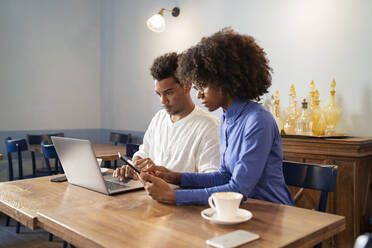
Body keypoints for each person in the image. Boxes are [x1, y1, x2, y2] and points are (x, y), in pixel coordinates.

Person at [139, 28, 294, 206]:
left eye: (203, 87)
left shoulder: (258, 120)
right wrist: (175, 177)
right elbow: (224, 176)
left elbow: (238, 189)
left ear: (224, 81)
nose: (198, 96)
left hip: (270, 212)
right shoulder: (227, 119)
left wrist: (173, 197)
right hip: (237, 211)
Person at [114, 52, 220, 180]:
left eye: (168, 93)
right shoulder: (159, 118)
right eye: (159, 94)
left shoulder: (209, 126)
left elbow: (211, 178)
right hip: (147, 194)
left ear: (187, 86)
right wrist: (134, 165)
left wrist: (169, 177)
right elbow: (144, 151)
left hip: (180, 199)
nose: (163, 101)